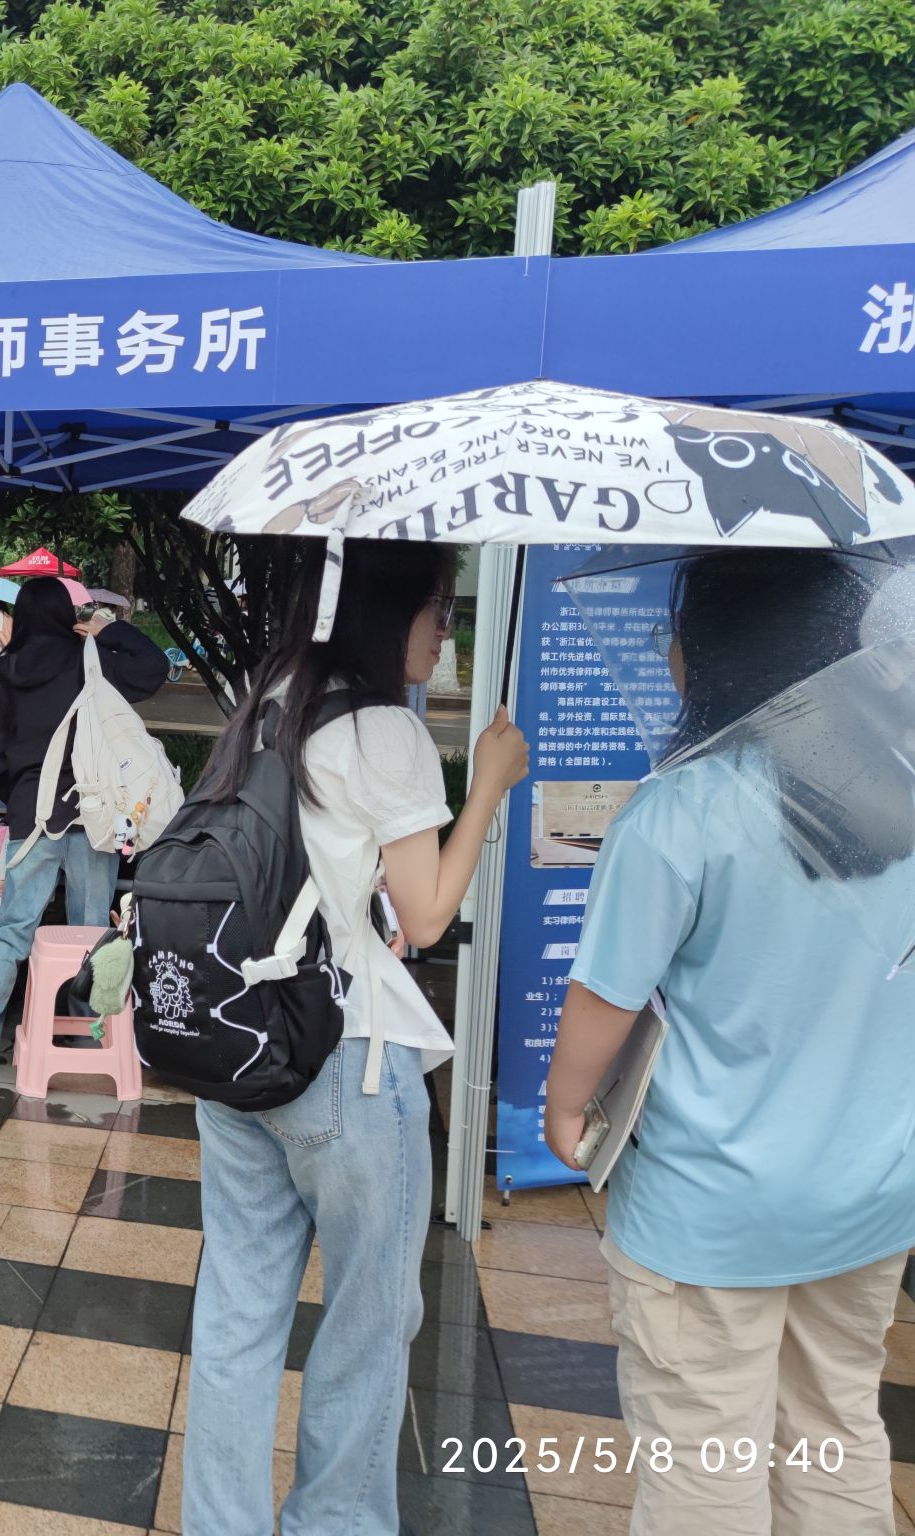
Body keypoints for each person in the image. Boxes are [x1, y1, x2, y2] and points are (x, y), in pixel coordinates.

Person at [543, 550, 915, 1536]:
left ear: (711, 652)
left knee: (705, 1457)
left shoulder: (682, 808)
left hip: (710, 1210)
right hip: (872, 1194)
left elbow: (603, 998)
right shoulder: (905, 793)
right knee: (836, 1429)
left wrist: (564, 1108)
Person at [182, 544, 528, 1536]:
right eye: (438, 609)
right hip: (346, 1060)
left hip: (239, 1048)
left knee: (238, 1315)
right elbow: (427, 916)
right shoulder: (384, 728)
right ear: (388, 610)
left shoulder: (271, 698)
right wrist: (488, 785)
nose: (444, 635)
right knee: (369, 1325)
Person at [0, 576, 168, 1074]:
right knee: (90, 931)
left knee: (12, 929)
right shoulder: (92, 660)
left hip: (32, 813)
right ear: (67, 615)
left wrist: (19, 791)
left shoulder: (6, 671)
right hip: (93, 813)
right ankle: (87, 1033)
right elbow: (154, 667)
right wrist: (105, 629)